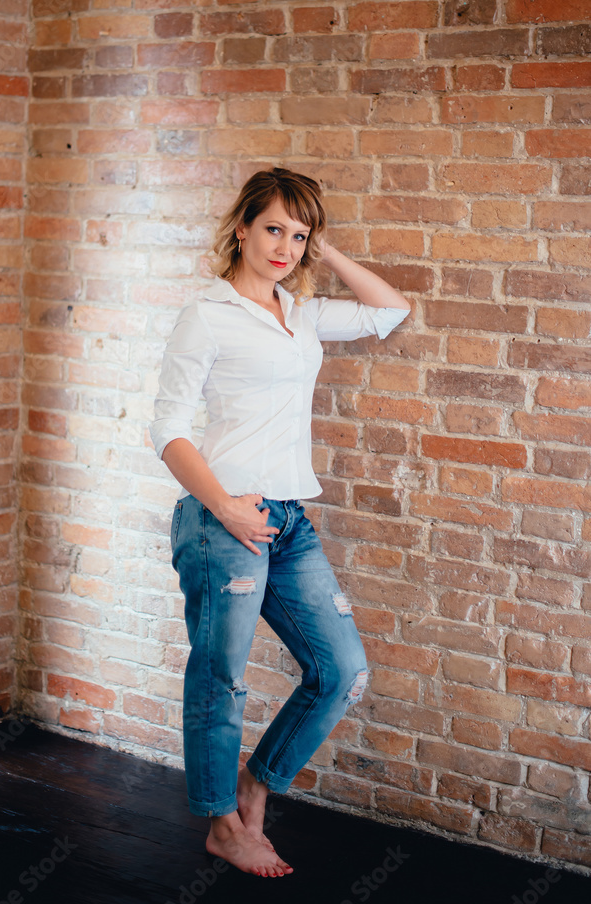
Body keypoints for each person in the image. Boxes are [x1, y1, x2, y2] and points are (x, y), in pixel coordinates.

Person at [149, 167, 411, 878]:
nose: (285, 247)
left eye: (299, 236)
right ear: (242, 227)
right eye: (274, 229)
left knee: (343, 671)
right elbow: (167, 427)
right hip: (221, 518)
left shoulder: (300, 312)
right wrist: (224, 505)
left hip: (289, 517)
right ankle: (221, 825)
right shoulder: (206, 313)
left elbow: (390, 311)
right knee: (221, 679)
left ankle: (253, 791)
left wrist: (324, 254)